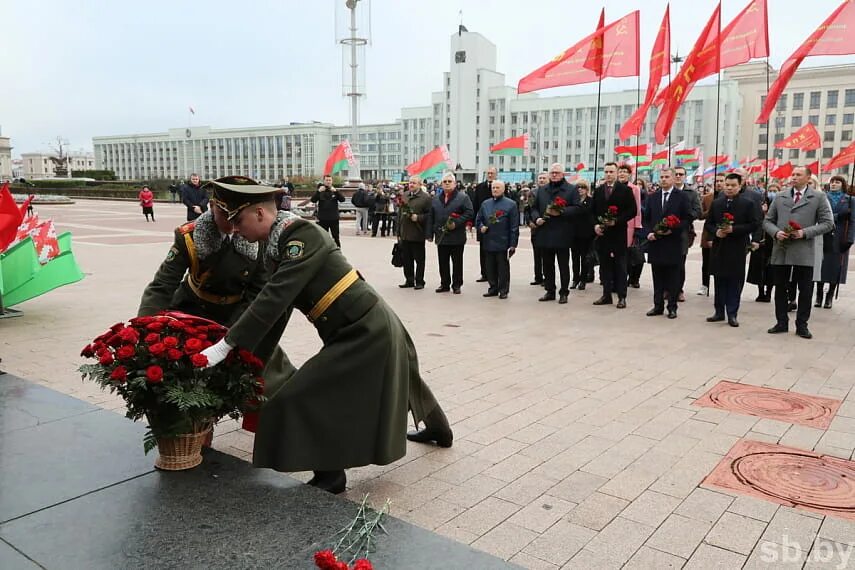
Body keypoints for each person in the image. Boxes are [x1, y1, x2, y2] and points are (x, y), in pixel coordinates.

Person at [199, 176, 453, 495]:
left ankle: (331, 475)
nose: (234, 229)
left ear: (261, 214)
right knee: (404, 374)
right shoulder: (274, 245)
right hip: (351, 330)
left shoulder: (301, 236)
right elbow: (277, 312)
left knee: (300, 397)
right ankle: (440, 431)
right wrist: (249, 362)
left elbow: (274, 297)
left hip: (366, 330)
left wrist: (228, 344)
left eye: (238, 220)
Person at [764, 165, 834, 339]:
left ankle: (802, 325)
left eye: (798, 174)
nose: (794, 177)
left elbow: (828, 223)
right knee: (780, 288)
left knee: (805, 290)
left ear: (808, 178)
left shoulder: (818, 197)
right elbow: (767, 221)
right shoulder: (780, 197)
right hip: (781, 249)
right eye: (793, 174)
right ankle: (781, 322)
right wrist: (775, 232)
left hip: (804, 250)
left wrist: (805, 233)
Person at [703, 173, 760, 327]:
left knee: (734, 281)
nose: (729, 188)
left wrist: (733, 229)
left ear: (740, 186)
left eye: (733, 185)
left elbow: (754, 224)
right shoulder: (717, 203)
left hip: (737, 247)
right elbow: (709, 223)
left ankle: (732, 313)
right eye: (727, 185)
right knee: (719, 280)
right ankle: (719, 311)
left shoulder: (747, 204)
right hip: (719, 247)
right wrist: (716, 232)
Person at [644, 168, 692, 319]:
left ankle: (672, 307)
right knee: (657, 277)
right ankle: (658, 305)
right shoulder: (653, 197)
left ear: (673, 179)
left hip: (673, 242)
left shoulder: (682, 197)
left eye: (667, 177)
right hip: (656, 243)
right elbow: (646, 218)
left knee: (673, 277)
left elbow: (687, 218)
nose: (664, 179)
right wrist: (649, 232)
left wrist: (673, 229)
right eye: (662, 177)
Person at [530, 163, 579, 304]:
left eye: (557, 172)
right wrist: (536, 218)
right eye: (552, 172)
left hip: (562, 233)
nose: (554, 175)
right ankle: (550, 290)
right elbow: (533, 208)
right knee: (547, 264)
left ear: (563, 174)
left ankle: (564, 292)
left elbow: (577, 208)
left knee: (563, 264)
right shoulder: (542, 190)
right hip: (544, 232)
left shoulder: (571, 189)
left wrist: (561, 211)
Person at [591, 162, 637, 309]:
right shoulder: (598, 191)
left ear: (617, 173)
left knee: (621, 265)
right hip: (603, 234)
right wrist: (596, 225)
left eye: (611, 171)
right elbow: (592, 211)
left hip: (618, 233)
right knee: (604, 265)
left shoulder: (625, 190)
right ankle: (606, 295)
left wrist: (616, 221)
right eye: (606, 172)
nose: (609, 174)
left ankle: (622, 296)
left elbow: (632, 211)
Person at [426, 172, 474, 294]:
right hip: (441, 235)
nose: (447, 184)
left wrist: (456, 223)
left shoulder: (463, 197)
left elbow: (469, 213)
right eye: (445, 182)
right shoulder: (436, 198)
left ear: (454, 183)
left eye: (449, 181)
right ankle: (444, 284)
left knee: (457, 262)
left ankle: (457, 284)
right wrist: (429, 234)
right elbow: (431, 216)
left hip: (456, 235)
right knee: (443, 261)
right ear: (441, 184)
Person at [815, 176, 855, 309]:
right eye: (832, 182)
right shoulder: (822, 197)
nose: (833, 184)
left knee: (836, 266)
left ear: (842, 185)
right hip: (823, 235)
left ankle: (829, 296)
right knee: (821, 265)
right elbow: (820, 216)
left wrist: (849, 239)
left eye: (837, 182)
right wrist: (838, 216)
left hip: (840, 237)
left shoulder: (850, 200)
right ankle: (819, 294)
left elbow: (853, 222)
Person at [475, 179, 519, 299]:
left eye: (497, 188)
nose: (495, 190)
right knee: (489, 267)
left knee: (502, 268)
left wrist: (513, 244)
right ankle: (493, 287)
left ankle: (503, 289)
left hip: (503, 242)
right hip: (488, 240)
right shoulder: (485, 204)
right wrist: (481, 227)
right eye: (493, 188)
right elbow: (478, 219)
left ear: (503, 189)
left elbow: (514, 226)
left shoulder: (511, 204)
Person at [397, 176, 432, 290]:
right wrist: (398, 231)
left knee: (419, 259)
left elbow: (430, 215)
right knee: (407, 259)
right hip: (405, 233)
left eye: (414, 183)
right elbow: (399, 214)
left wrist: (419, 218)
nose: (411, 185)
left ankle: (420, 281)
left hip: (417, 234)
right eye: (410, 182)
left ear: (420, 184)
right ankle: (409, 280)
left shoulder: (425, 198)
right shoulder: (405, 195)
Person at [674, 166, 701, 301]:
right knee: (666, 261)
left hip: (683, 231)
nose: (678, 176)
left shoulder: (691, 193)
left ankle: (679, 290)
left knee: (680, 262)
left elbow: (698, 211)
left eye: (680, 174)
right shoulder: (666, 191)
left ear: (685, 176)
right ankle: (667, 288)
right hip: (666, 231)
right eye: (676, 174)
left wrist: (687, 217)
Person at [697, 174, 724, 296]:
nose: (718, 183)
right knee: (706, 262)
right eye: (716, 181)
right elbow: (700, 215)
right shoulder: (707, 198)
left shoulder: (731, 198)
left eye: (721, 181)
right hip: (708, 232)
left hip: (724, 233)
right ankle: (704, 284)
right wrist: (711, 210)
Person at [473, 167, 498, 283]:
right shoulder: (479, 187)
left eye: (492, 173)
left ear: (496, 174)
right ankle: (484, 273)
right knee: (483, 250)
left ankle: (495, 273)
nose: (490, 175)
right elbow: (475, 205)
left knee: (496, 250)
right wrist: (474, 222)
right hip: (482, 222)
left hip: (497, 224)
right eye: (488, 173)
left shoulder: (501, 186)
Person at [571, 180, 594, 291]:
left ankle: (583, 279)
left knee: (585, 258)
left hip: (586, 233)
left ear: (587, 189)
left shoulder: (591, 201)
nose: (580, 189)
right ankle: (575, 278)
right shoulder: (573, 201)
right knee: (574, 257)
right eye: (578, 187)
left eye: (583, 187)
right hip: (574, 233)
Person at [311, 175, 345, 247]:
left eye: (329, 180)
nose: (328, 181)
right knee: (323, 237)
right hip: (323, 218)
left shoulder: (335, 191)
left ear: (332, 181)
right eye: (327, 180)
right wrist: (318, 191)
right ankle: (324, 251)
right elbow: (313, 200)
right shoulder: (320, 191)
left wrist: (336, 191)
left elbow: (342, 199)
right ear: (324, 181)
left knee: (336, 237)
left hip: (334, 218)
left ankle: (337, 250)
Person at [529, 172, 549, 286]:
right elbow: (529, 208)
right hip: (535, 228)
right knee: (536, 254)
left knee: (546, 255)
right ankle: (538, 276)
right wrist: (530, 222)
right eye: (540, 178)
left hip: (547, 227)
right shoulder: (533, 192)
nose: (541, 180)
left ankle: (547, 277)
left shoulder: (550, 192)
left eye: (544, 178)